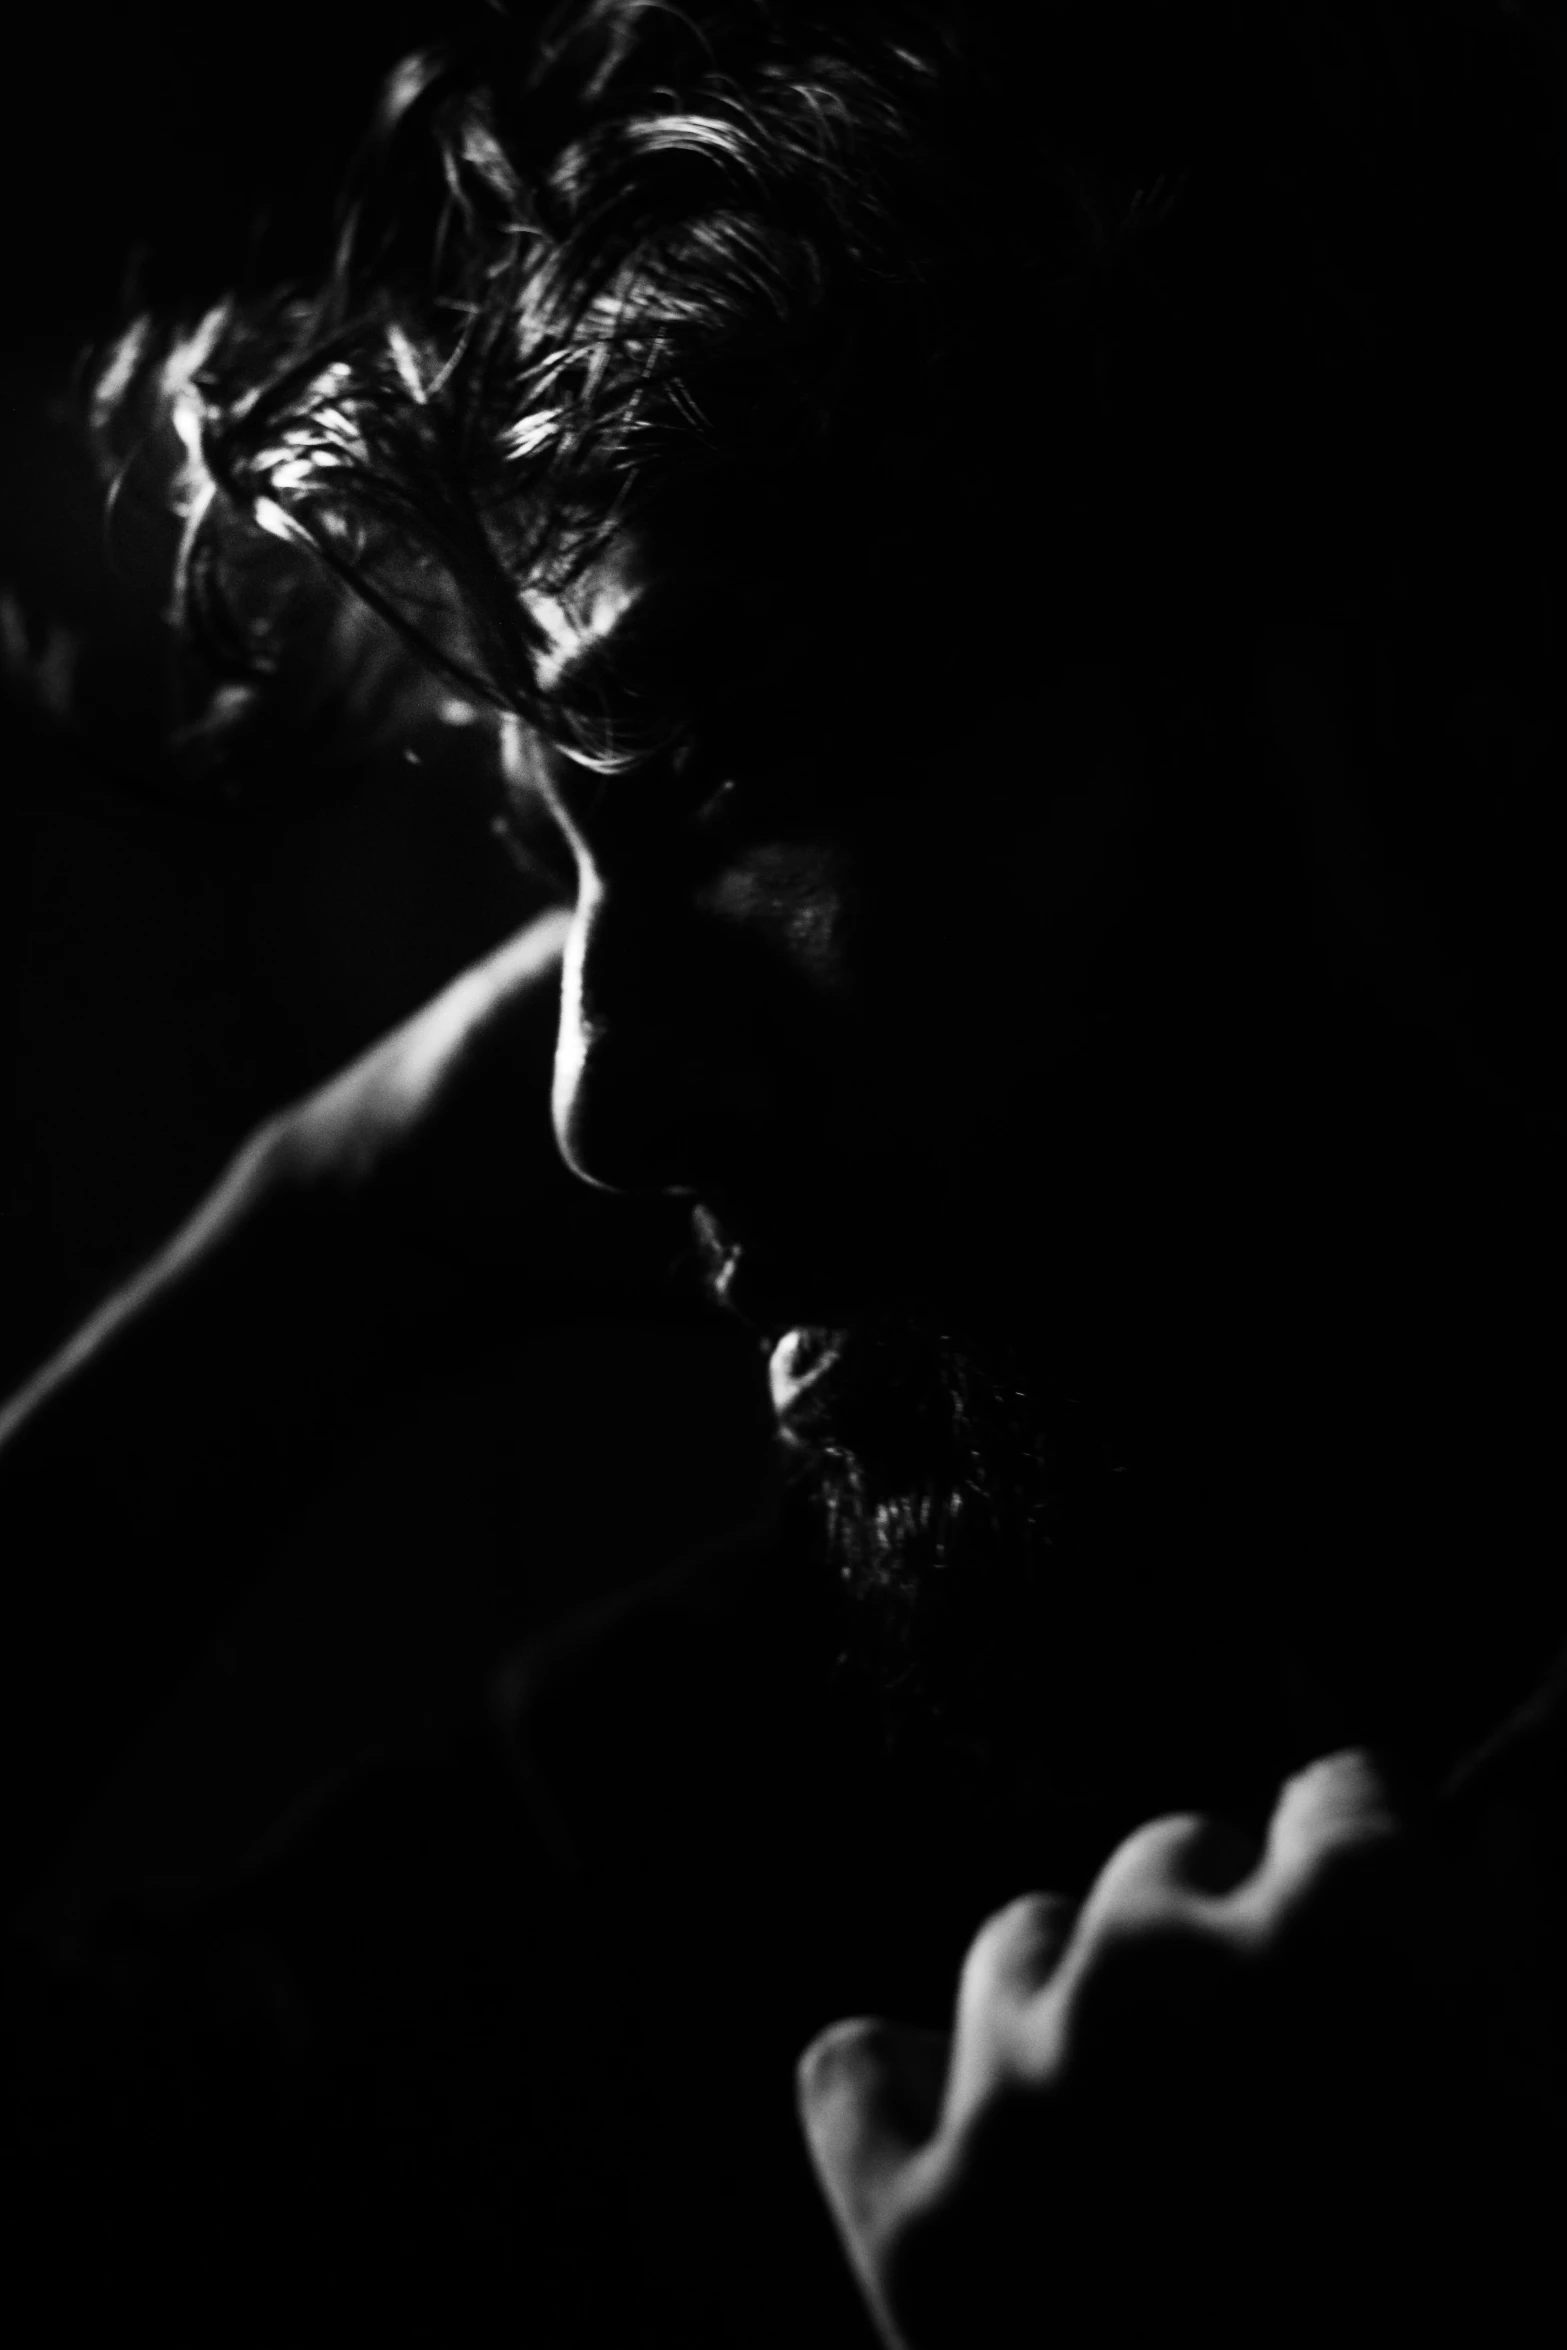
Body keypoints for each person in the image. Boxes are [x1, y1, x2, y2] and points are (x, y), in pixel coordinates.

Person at [5, 1, 1567, 2340]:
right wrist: (328, 1230)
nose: (589, 1101)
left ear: (1350, 678)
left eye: (717, 775)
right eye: (558, 868)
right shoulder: (850, 1775)